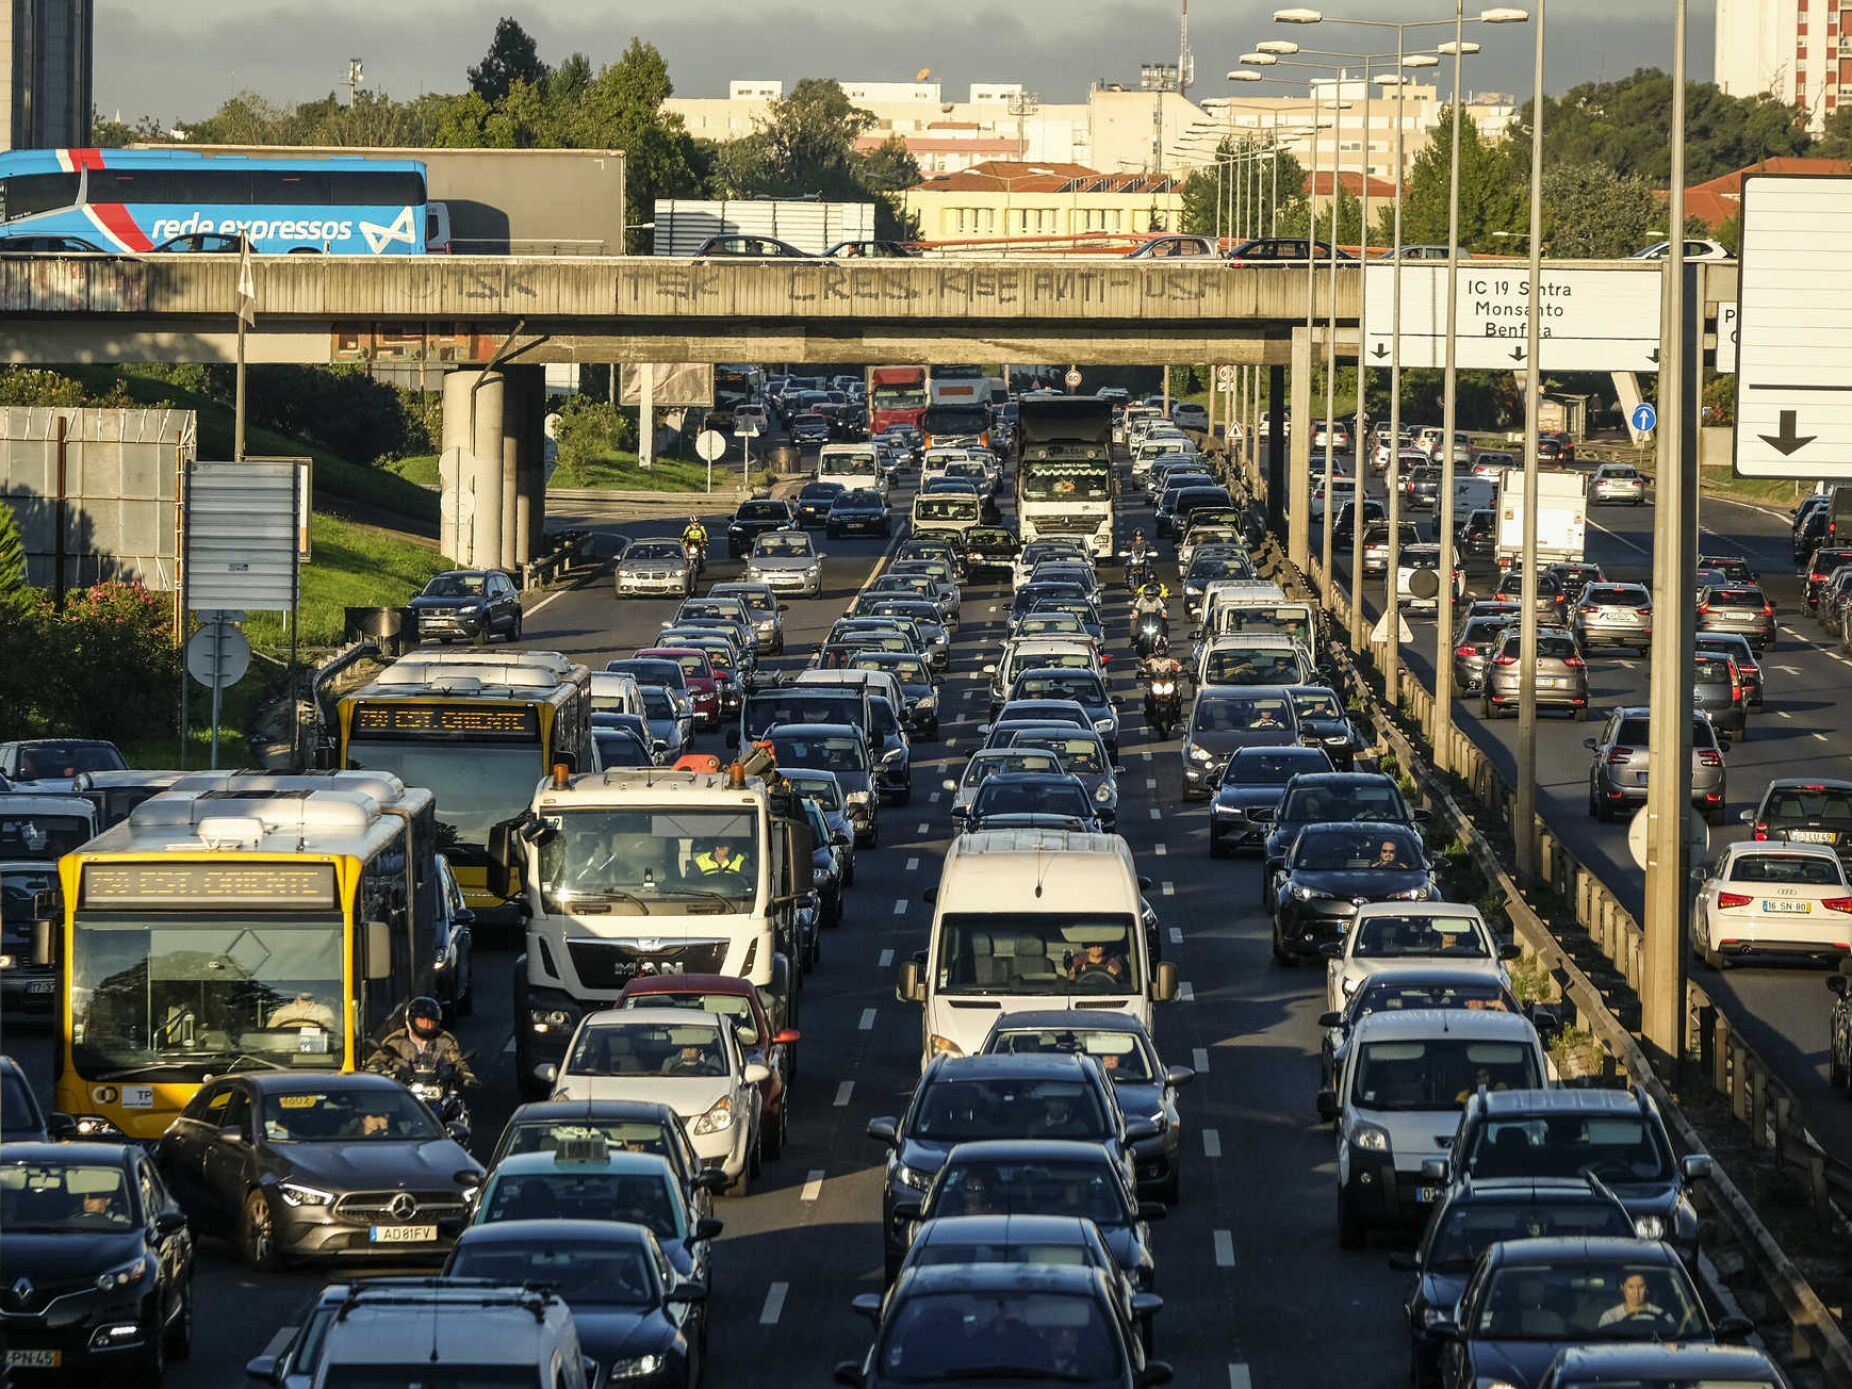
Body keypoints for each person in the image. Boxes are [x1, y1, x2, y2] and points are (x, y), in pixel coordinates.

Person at [367, 996, 478, 1089]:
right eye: (422, 1020)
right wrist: (378, 1070)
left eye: (431, 1021)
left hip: (437, 1090)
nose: (426, 1025)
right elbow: (377, 1059)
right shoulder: (396, 1040)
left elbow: (456, 1061)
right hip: (404, 1092)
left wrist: (465, 1074)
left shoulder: (445, 1039)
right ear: (411, 1019)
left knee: (456, 1107)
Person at [1597, 1273, 1668, 1327]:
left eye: (1641, 1287)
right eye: (1631, 1287)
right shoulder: (1610, 1317)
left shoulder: (1661, 1315)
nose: (1636, 1293)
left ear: (1647, 1289)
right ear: (1622, 1288)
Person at [268, 992, 337, 1032]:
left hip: (316, 1046)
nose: (305, 991)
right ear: (297, 996)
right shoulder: (283, 1011)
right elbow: (270, 1031)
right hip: (285, 1046)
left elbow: (328, 1029)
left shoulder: (323, 1010)